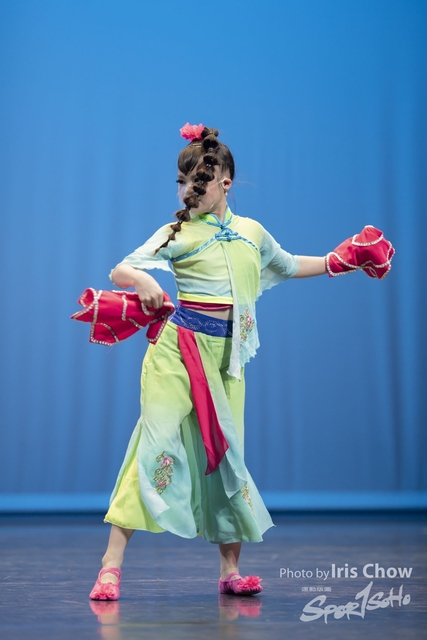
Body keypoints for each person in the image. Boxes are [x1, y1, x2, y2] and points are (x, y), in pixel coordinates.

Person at [88, 123, 393, 601]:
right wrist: (143, 281)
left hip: (228, 360)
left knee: (228, 457)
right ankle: (110, 567)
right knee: (155, 445)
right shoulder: (177, 232)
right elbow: (122, 267)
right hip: (177, 352)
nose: (188, 190)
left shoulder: (252, 232)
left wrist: (341, 260)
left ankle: (230, 571)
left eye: (199, 181)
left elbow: (287, 264)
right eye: (182, 182)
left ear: (224, 182)